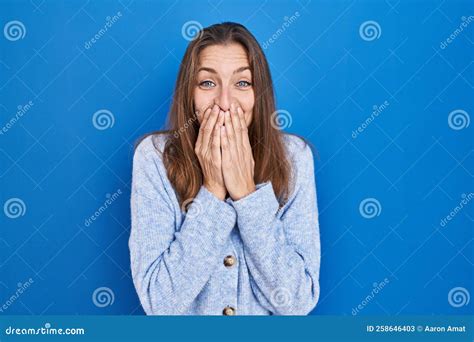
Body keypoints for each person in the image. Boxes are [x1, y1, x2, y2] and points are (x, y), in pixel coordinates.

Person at [129, 22, 321, 315]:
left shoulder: (294, 157)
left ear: (260, 94)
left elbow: (297, 301)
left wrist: (246, 194)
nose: (225, 103)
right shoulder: (154, 158)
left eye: (242, 83)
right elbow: (160, 303)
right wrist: (213, 189)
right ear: (189, 94)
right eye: (207, 83)